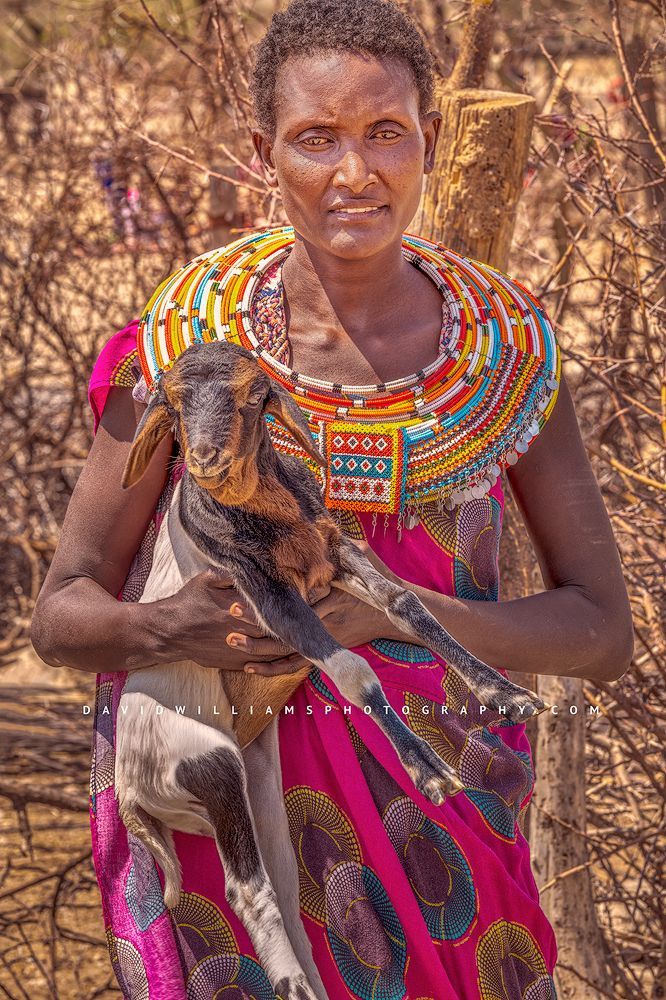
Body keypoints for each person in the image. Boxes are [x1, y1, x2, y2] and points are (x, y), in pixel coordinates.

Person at [31, 1, 633, 997]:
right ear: (263, 154)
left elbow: (601, 631)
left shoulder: (504, 353)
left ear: (430, 142)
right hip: (233, 846)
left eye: (385, 132)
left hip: (449, 834)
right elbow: (63, 612)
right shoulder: (187, 345)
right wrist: (166, 625)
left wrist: (399, 616)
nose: (355, 173)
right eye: (317, 139)